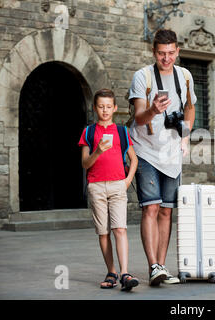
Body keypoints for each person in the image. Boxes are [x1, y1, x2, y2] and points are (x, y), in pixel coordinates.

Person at [128, 29, 196, 286]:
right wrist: (153, 110)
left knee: (167, 211)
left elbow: (190, 108)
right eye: (161, 54)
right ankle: (153, 265)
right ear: (153, 52)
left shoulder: (185, 76)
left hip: (172, 152)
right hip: (145, 150)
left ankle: (162, 267)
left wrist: (186, 137)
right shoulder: (142, 77)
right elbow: (138, 118)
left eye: (170, 53)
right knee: (151, 207)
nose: (166, 59)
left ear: (177, 51)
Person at [78, 88, 139, 291]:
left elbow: (134, 159)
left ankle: (125, 273)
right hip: (96, 186)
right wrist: (97, 151)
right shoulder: (88, 132)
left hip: (117, 185)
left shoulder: (122, 131)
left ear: (114, 108)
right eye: (100, 107)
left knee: (120, 229)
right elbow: (85, 164)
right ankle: (111, 271)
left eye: (108, 107)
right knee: (103, 232)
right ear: (95, 108)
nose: (104, 110)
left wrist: (127, 180)